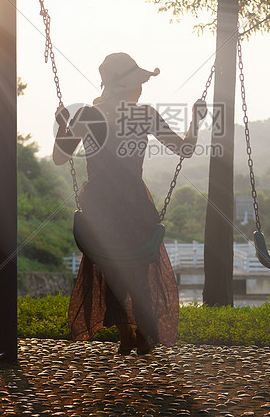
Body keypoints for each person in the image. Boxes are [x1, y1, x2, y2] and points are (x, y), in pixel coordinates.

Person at [53, 52, 206, 354]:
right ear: (121, 86)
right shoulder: (143, 115)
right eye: (138, 82)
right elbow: (185, 149)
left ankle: (126, 334)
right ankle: (143, 333)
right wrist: (196, 121)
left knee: (112, 267)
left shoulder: (87, 115)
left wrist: (61, 125)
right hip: (134, 202)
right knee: (139, 267)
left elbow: (60, 158)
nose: (141, 89)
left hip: (99, 204)